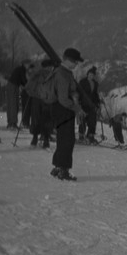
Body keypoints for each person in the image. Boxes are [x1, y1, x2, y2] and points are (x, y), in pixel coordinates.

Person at [50, 48, 87, 181]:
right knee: (67, 140)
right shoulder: (63, 74)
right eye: (75, 62)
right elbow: (63, 99)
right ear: (69, 60)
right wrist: (77, 108)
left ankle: (58, 166)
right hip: (64, 110)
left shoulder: (64, 72)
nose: (76, 64)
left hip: (61, 110)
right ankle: (63, 170)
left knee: (62, 138)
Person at [26, 59, 54, 149]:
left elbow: (28, 87)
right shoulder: (52, 75)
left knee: (36, 118)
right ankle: (46, 139)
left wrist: (32, 94)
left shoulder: (36, 74)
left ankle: (34, 138)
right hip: (47, 100)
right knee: (47, 119)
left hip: (36, 99)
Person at [76, 66, 101, 144]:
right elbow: (79, 92)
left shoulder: (95, 83)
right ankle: (81, 136)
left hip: (92, 104)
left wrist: (98, 102)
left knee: (92, 120)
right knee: (83, 119)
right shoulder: (82, 82)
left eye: (92, 75)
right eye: (90, 74)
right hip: (83, 103)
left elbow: (95, 94)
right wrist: (78, 101)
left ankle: (90, 136)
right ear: (87, 74)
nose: (91, 76)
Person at [7, 60, 29, 129]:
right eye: (28, 64)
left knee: (11, 104)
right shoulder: (22, 69)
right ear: (24, 64)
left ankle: (11, 122)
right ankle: (13, 123)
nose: (28, 66)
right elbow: (24, 80)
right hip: (13, 86)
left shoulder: (20, 69)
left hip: (12, 85)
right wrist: (28, 85)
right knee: (14, 104)